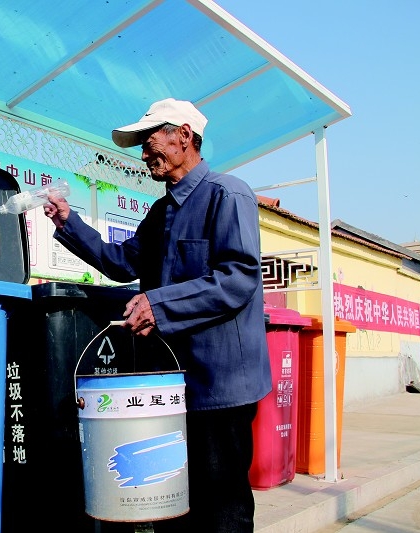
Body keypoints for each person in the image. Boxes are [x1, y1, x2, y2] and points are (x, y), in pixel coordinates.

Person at [43, 98, 270, 532]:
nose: (144, 155)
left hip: (220, 387)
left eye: (149, 144)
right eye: (142, 148)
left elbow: (238, 278)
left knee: (222, 508)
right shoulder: (162, 212)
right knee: (175, 502)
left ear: (184, 136)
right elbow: (121, 262)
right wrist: (68, 221)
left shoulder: (227, 194)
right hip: (170, 386)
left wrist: (159, 304)